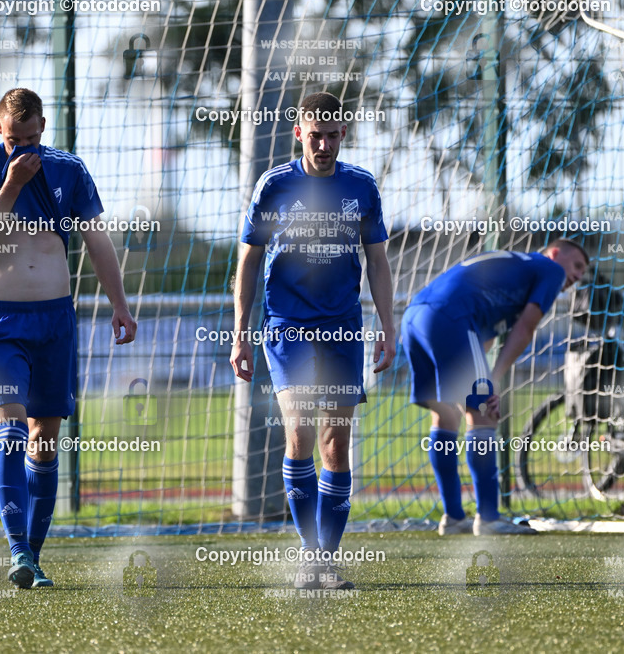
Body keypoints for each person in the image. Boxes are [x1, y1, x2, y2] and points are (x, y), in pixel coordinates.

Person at [0, 88, 136, 588]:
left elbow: (97, 240)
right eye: (15, 140)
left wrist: (119, 304)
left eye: (32, 138)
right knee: (10, 431)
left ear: (44, 127)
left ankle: (31, 556)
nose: (24, 148)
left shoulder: (69, 169)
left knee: (44, 441)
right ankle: (16, 549)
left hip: (55, 319)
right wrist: (11, 184)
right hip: (0, 321)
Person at [231, 92, 395, 591]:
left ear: (343, 134)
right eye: (314, 134)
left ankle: (326, 558)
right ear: (298, 132)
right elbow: (249, 260)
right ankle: (311, 555)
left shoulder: (362, 186)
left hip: (344, 329)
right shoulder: (275, 185)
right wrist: (240, 333)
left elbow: (378, 262)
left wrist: (388, 325)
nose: (323, 144)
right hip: (287, 327)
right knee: (300, 433)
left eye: (332, 135)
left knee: (335, 442)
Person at [401, 242, 588, 535]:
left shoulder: (512, 275)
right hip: (452, 318)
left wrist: (482, 383)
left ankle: (453, 518)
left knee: (447, 415)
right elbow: (526, 328)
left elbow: (483, 339)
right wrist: (492, 382)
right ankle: (488, 518)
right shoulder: (549, 270)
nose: (577, 275)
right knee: (484, 414)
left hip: (415, 316)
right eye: (576, 265)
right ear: (554, 253)